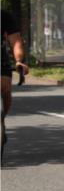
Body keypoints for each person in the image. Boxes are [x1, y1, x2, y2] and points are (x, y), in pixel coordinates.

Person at [2, 8, 29, 146]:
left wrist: (19, 61)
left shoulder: (4, 16)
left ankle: (1, 121)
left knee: (5, 86)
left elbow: (16, 42)